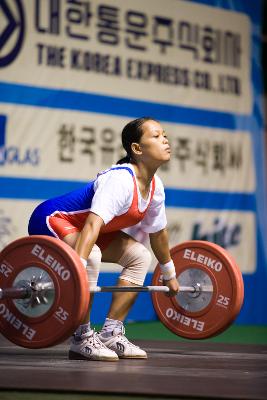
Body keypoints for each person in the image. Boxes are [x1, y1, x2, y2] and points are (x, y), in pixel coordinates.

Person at [28, 117, 179, 361]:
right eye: (156, 136)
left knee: (139, 256)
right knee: (91, 256)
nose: (165, 139)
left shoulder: (155, 187)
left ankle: (111, 333)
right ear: (137, 149)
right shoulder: (120, 181)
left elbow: (158, 233)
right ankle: (81, 337)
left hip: (88, 229)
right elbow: (91, 226)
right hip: (51, 219)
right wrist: (77, 266)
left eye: (164, 135)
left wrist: (170, 275)